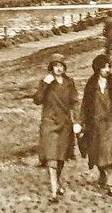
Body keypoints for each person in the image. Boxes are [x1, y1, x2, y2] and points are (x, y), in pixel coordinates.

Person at [80, 54, 112, 196]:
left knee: (109, 151)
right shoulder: (91, 86)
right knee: (97, 152)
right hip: (95, 125)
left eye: (108, 66)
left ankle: (110, 182)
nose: (107, 69)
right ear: (97, 68)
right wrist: (81, 123)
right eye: (104, 67)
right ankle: (102, 174)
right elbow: (85, 106)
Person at [34, 57, 80, 203]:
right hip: (49, 123)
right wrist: (45, 85)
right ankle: (54, 192)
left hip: (65, 123)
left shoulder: (69, 83)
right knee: (52, 158)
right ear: (51, 68)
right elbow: (37, 100)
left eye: (61, 66)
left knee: (60, 158)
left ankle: (57, 182)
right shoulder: (46, 82)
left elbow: (75, 102)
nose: (59, 69)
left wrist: (77, 121)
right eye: (55, 66)